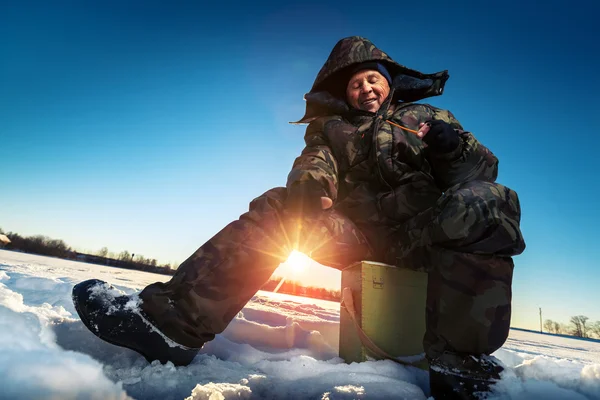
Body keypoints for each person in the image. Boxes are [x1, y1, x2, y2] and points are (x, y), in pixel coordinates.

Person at [73, 36, 525, 399]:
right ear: (343, 94)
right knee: (279, 203)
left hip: (430, 232)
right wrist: (311, 187)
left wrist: (452, 146)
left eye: (373, 79)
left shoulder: (428, 115)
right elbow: (314, 162)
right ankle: (171, 325)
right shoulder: (331, 128)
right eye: (355, 85)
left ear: (389, 82)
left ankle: (461, 366)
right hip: (360, 234)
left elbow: (481, 170)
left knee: (489, 199)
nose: (365, 88)